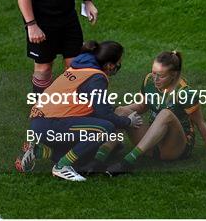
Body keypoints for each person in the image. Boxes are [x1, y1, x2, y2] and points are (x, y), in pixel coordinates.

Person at [14, 40, 142, 181]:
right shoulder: (96, 78)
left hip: (40, 123)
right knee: (105, 129)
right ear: (110, 65)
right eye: (118, 63)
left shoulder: (82, 65)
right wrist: (128, 121)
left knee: (84, 156)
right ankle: (62, 166)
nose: (118, 66)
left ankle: (40, 151)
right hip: (50, 124)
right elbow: (104, 114)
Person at [103, 51, 206, 175]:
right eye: (153, 73)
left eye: (160, 76)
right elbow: (143, 106)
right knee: (121, 110)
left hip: (175, 148)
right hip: (152, 142)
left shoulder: (185, 93)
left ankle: (128, 162)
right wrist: (116, 112)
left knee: (165, 114)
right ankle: (99, 158)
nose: (155, 79)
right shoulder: (149, 81)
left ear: (173, 75)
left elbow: (200, 123)